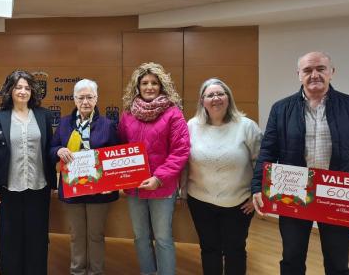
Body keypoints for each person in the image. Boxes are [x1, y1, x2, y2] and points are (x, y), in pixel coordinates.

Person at [251, 51, 349, 275]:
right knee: (291, 259)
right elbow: (268, 151)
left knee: (338, 263)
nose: (314, 75)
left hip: (338, 195)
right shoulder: (281, 109)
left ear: (332, 72)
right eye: (308, 70)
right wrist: (257, 187)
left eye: (320, 69)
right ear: (299, 74)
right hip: (293, 192)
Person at [181, 78, 262, 275]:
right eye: (210, 95)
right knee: (209, 249)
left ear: (228, 98)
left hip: (239, 203)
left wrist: (256, 196)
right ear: (202, 101)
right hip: (200, 201)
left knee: (235, 250)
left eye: (220, 94)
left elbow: (261, 163)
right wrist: (182, 191)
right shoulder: (192, 125)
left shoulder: (247, 126)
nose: (216, 98)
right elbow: (183, 160)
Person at [117, 62, 190, 275]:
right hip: (135, 188)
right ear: (137, 87)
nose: (149, 87)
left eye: (154, 83)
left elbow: (181, 151)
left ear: (161, 86)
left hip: (162, 187)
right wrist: (119, 176)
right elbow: (121, 148)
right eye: (144, 83)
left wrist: (158, 178)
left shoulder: (173, 113)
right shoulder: (127, 114)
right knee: (140, 237)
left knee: (163, 238)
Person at [0, 70, 56, 275]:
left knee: (37, 238)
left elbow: (50, 149)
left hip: (39, 188)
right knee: (10, 238)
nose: (23, 91)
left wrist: (55, 182)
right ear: (10, 90)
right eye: (18, 87)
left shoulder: (44, 116)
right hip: (8, 189)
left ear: (33, 91)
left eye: (27, 87)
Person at [51, 79, 119, 275]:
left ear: (97, 98)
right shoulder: (64, 123)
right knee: (76, 235)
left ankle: (96, 272)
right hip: (72, 189)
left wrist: (112, 182)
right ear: (74, 99)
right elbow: (51, 149)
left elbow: (116, 155)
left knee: (95, 235)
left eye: (90, 97)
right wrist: (59, 150)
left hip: (99, 191)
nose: (85, 102)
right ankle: (77, 271)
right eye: (81, 97)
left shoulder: (108, 125)